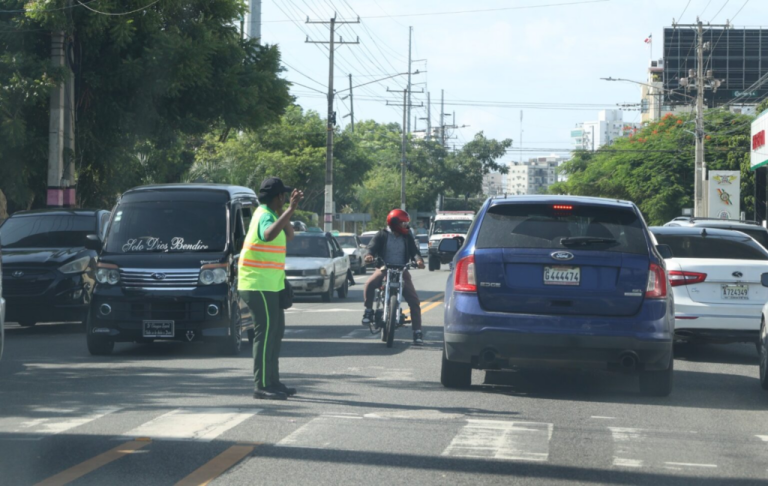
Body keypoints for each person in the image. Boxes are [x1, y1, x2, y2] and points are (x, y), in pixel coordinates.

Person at [238, 177, 304, 400]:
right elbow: (267, 235)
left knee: (276, 333)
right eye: (282, 196)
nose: (285, 199)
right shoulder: (263, 215)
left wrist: (287, 211)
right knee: (265, 334)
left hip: (271, 284)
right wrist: (291, 208)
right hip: (258, 284)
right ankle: (262, 384)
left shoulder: (273, 214)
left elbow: (290, 234)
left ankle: (273, 381)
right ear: (278, 197)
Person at [361, 209, 426, 345]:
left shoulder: (407, 236)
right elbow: (371, 247)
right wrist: (369, 255)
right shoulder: (382, 234)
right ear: (394, 223)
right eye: (403, 223)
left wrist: (419, 260)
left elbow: (414, 252)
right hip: (384, 267)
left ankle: (417, 332)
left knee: (414, 301)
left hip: (402, 269)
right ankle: (368, 311)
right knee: (370, 283)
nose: (405, 226)